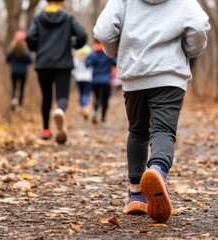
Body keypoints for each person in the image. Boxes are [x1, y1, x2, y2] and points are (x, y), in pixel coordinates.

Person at [94, 0, 210, 223]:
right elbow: (199, 25)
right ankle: (157, 170)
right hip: (170, 75)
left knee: (137, 131)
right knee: (163, 130)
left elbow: (103, 30)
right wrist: (190, 50)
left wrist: (115, 52)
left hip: (134, 75)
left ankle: (136, 194)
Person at [26, 0, 87, 143]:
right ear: (63, 1)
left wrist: (38, 47)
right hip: (63, 63)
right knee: (62, 95)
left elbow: (30, 37)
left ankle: (46, 130)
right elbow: (82, 35)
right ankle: (60, 110)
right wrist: (73, 45)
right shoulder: (68, 17)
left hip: (43, 63)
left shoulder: (39, 18)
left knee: (46, 96)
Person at [85, 40, 116, 128]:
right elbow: (115, 62)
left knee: (97, 97)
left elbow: (87, 64)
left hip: (95, 81)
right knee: (105, 100)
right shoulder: (107, 53)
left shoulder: (93, 53)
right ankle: (103, 120)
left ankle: (95, 111)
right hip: (106, 81)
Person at [6, 31, 32, 111]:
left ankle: (14, 99)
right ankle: (20, 106)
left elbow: (7, 59)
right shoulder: (25, 50)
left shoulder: (12, 49)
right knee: (21, 88)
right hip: (23, 72)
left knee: (14, 87)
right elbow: (30, 60)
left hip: (14, 71)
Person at [72, 45, 93, 119]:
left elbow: (73, 69)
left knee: (80, 92)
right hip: (88, 78)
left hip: (79, 78)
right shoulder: (89, 58)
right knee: (86, 93)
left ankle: (81, 107)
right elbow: (92, 68)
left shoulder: (76, 58)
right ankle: (85, 106)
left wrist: (75, 75)